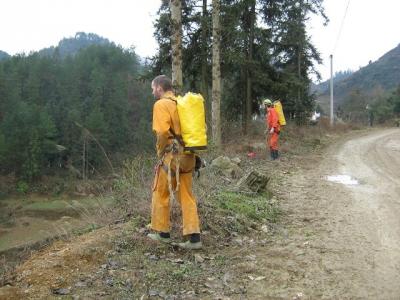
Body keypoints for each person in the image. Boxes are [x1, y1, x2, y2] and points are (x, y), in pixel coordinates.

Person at [147, 75, 202, 250]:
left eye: (152, 88)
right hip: (189, 155)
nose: (152, 92)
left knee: (160, 191)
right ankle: (194, 238)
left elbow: (163, 132)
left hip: (172, 157)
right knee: (187, 195)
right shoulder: (181, 103)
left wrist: (160, 151)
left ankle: (162, 233)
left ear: (159, 88)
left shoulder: (161, 104)